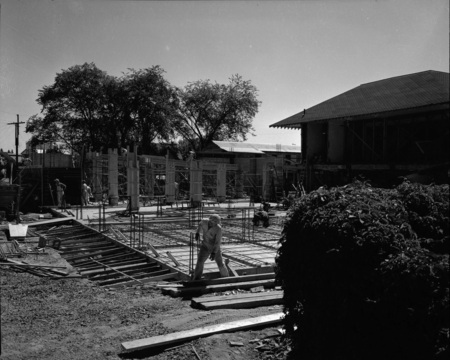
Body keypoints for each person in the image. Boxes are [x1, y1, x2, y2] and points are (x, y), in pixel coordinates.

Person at [192, 214, 229, 281]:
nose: (213, 224)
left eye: (215, 223)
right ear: (210, 220)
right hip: (205, 246)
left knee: (220, 263)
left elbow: (217, 242)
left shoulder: (218, 229)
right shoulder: (204, 222)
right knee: (200, 262)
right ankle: (196, 279)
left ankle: (226, 278)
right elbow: (200, 225)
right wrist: (197, 232)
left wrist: (214, 252)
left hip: (214, 247)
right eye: (212, 222)